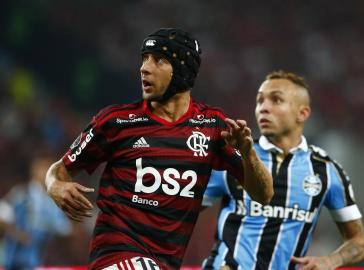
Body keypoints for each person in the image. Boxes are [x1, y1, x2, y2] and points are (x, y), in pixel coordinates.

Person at [44, 28, 274, 270]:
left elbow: (265, 194)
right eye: (144, 58)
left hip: (165, 263)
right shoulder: (116, 121)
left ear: (183, 70)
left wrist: (248, 154)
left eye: (158, 60)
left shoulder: (212, 127)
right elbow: (59, 170)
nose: (144, 68)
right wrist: (54, 185)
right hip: (114, 256)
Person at [201, 70, 364, 270]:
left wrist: (330, 261)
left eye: (276, 100)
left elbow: (357, 241)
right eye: (260, 101)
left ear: (302, 113)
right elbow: (178, 210)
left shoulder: (326, 171)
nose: (264, 107)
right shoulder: (232, 158)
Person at [0, 156, 72, 270]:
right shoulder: (21, 195)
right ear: (34, 171)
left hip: (37, 262)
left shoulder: (53, 202)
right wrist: (18, 234)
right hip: (12, 261)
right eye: (44, 169)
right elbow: (2, 216)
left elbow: (64, 230)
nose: (48, 173)